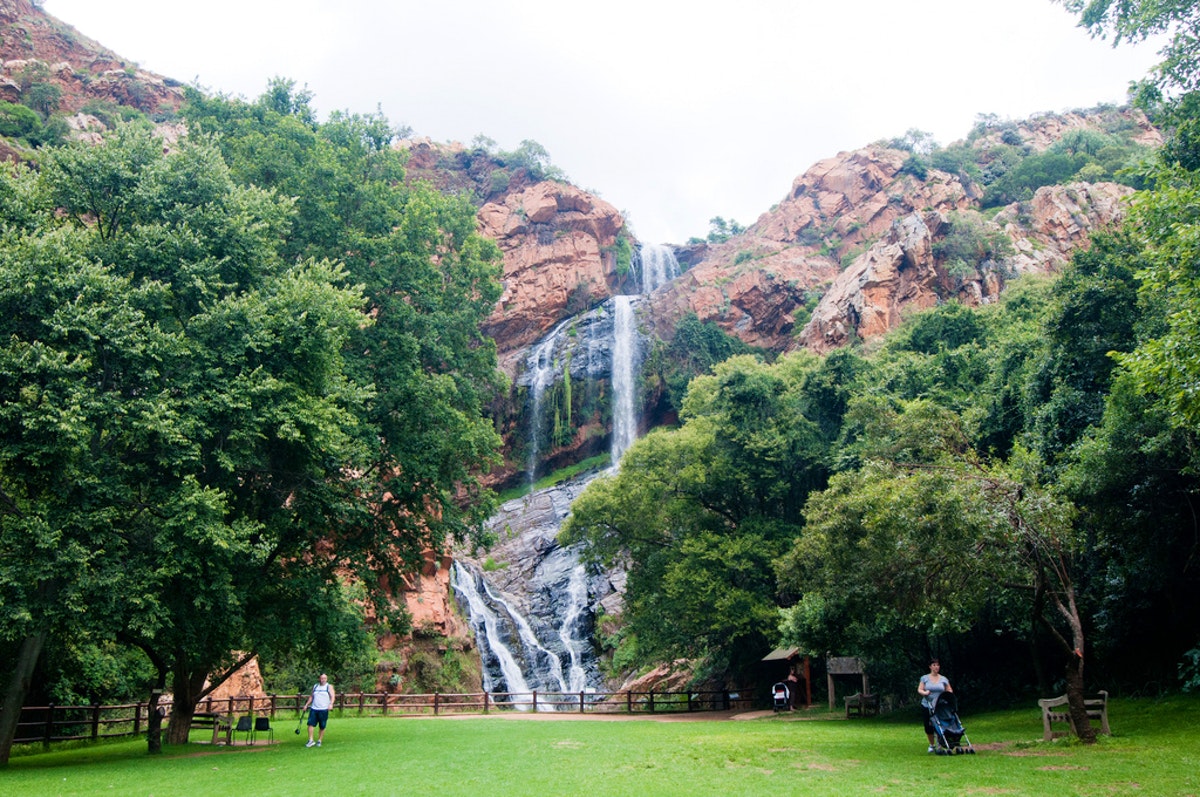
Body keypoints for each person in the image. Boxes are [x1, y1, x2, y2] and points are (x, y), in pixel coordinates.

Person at [917, 659, 952, 752]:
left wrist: (946, 695)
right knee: (928, 726)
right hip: (927, 705)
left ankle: (940, 743)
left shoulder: (944, 679)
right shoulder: (924, 678)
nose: (936, 667)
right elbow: (920, 689)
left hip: (940, 706)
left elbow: (949, 690)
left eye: (938, 665)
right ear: (930, 667)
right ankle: (932, 744)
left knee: (940, 724)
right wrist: (925, 692)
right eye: (934, 665)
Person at [303, 673, 335, 748]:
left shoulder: (329, 687)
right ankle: (311, 740)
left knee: (322, 725)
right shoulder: (315, 686)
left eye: (325, 678)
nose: (323, 680)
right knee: (310, 723)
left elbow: (332, 696)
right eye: (322, 678)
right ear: (319, 679)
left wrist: (331, 704)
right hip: (314, 708)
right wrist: (306, 704)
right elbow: (311, 696)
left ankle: (319, 740)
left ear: (326, 679)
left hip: (323, 709)